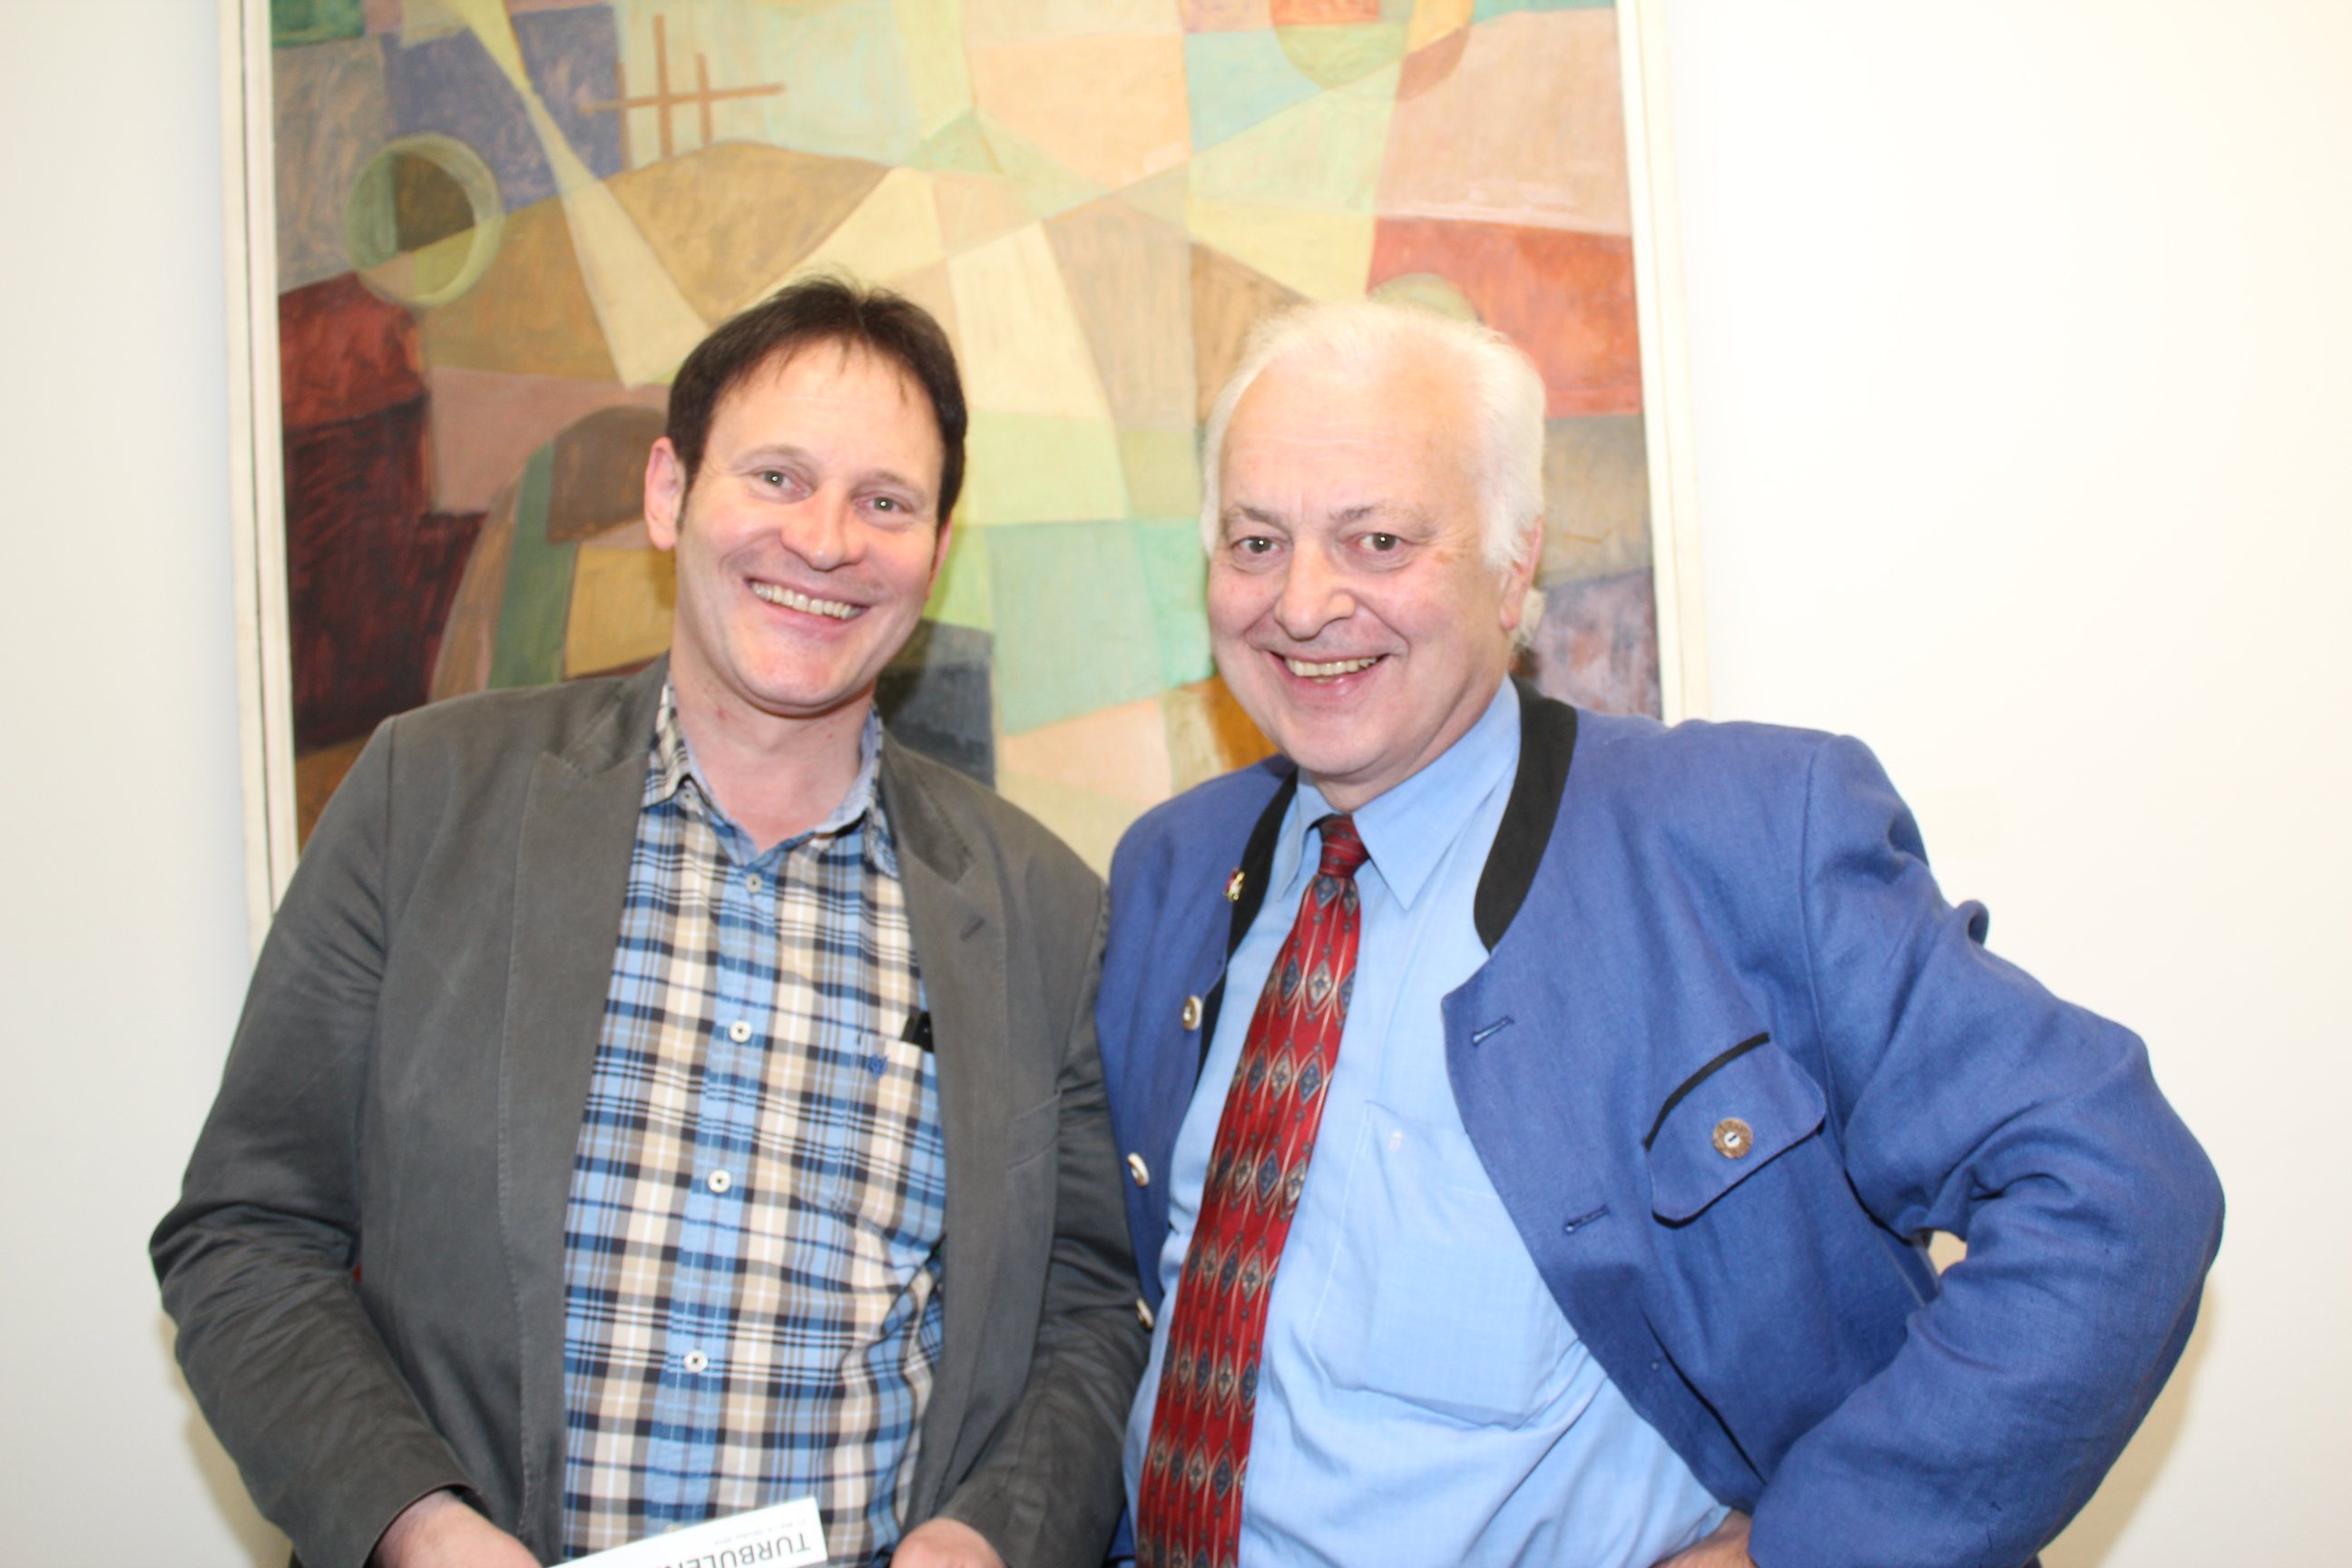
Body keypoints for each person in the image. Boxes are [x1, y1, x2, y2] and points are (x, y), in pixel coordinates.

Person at [1093, 299, 2222, 1568]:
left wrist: (1809, 1553)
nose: (1304, 603)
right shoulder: (1169, 872)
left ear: (1514, 564)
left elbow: (2119, 1191)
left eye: (1380, 539)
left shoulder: (1743, 837)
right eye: (1257, 542)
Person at [155, 278, 1145, 1568]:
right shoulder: (426, 799)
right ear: (671, 492)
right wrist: (418, 1528)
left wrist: (989, 1537)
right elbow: (250, 1235)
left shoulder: (1043, 910)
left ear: (936, 547)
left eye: (885, 502)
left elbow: (1090, 1312)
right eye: (778, 477)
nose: (827, 541)